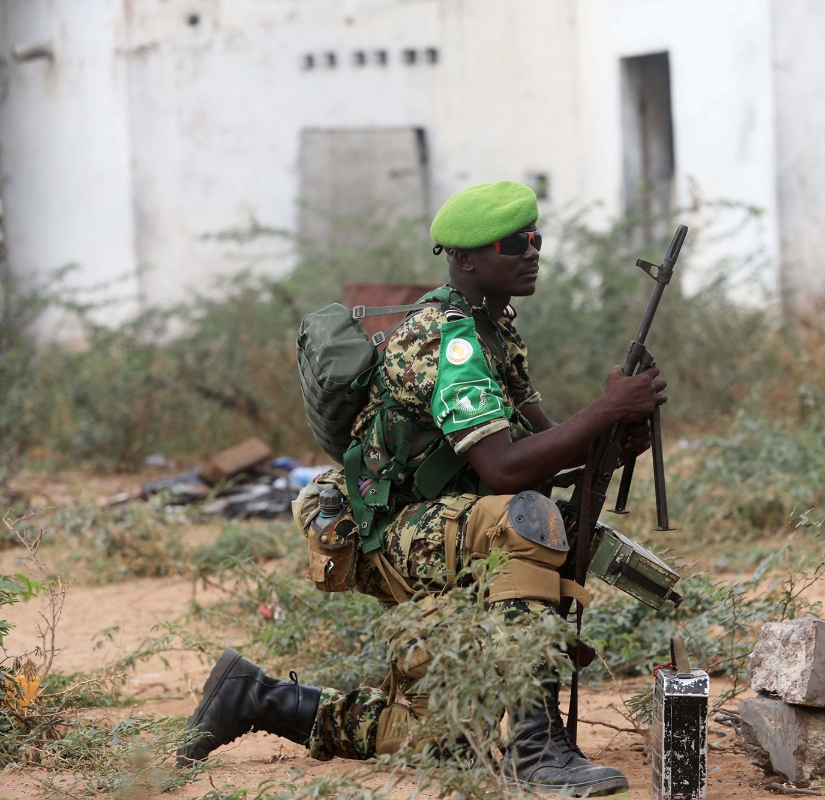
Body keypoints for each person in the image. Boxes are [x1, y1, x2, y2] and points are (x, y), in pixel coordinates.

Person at [177, 181, 667, 796]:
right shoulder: (448, 340)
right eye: (513, 242)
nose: (532, 251)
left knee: (439, 739)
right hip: (388, 534)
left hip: (446, 527)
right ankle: (537, 749)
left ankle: (258, 698)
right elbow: (507, 474)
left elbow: (540, 455)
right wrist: (602, 410)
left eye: (536, 238)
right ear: (464, 260)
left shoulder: (496, 333)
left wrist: (615, 438)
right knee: (527, 519)